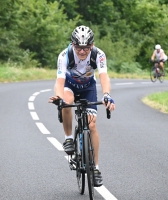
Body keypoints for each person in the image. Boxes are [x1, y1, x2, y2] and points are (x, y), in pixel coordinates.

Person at [48, 25, 115, 187]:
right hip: (69, 87)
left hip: (88, 88)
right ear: (72, 44)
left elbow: (104, 77)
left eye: (86, 47)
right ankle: (69, 139)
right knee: (66, 102)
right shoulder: (65, 55)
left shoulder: (99, 55)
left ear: (92, 45)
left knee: (92, 125)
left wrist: (107, 95)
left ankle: (96, 168)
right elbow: (59, 81)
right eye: (78, 47)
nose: (82, 51)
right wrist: (59, 96)